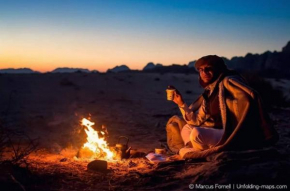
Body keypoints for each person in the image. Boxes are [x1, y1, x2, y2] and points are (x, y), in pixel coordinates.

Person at [166, 55, 278, 159]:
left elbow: (251, 95)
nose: (204, 72)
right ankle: (193, 151)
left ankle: (195, 153)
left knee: (196, 133)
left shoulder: (228, 81)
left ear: (218, 69)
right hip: (213, 130)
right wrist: (181, 103)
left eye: (208, 68)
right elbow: (197, 121)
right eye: (201, 70)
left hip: (227, 133)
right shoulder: (209, 91)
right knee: (187, 128)